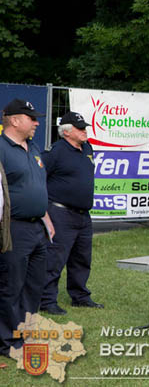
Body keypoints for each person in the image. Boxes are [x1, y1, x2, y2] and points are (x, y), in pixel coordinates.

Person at [0, 99, 54, 357]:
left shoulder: (33, 148)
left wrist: (46, 217)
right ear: (13, 119)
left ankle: (25, 333)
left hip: (37, 228)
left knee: (34, 285)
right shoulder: (1, 148)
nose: (36, 122)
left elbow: (36, 186)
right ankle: (8, 341)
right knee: (11, 284)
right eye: (31, 117)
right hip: (13, 227)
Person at [39, 112, 103, 316]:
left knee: (82, 257)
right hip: (60, 212)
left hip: (83, 214)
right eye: (80, 128)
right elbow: (40, 178)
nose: (85, 131)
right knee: (55, 258)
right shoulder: (55, 152)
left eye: (84, 127)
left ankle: (80, 296)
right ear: (66, 132)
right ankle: (47, 300)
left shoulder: (87, 148)